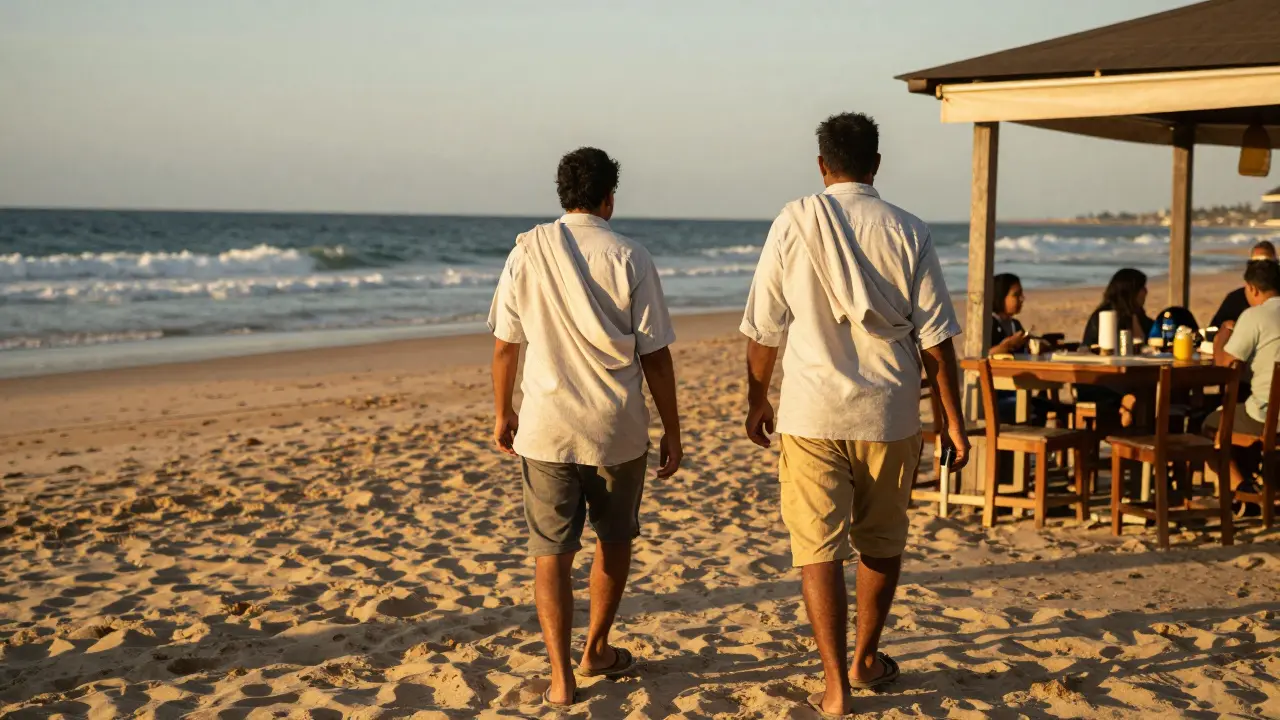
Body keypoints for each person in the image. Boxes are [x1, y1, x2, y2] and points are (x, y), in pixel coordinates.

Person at [740, 112, 968, 718]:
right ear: (876, 164)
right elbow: (937, 341)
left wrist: (757, 397)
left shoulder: (794, 220)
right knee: (881, 541)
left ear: (822, 165)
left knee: (817, 547)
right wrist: (954, 420)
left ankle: (835, 684)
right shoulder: (909, 229)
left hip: (811, 413)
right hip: (889, 414)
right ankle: (868, 657)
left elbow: (765, 327)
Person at [488, 147, 683, 707]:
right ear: (609, 198)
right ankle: (596, 647)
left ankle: (559, 676)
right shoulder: (631, 256)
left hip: (547, 428)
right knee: (614, 538)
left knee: (551, 551)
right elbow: (657, 357)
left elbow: (506, 344)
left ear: (562, 195)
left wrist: (503, 411)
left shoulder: (528, 251)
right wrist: (672, 429)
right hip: (616, 430)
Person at [1207, 259, 1280, 494]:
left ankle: (1240, 487)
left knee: (1210, 425)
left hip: (1267, 416)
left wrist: (1223, 333)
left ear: (1252, 289)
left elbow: (1223, 364)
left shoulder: (1254, 316)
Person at [1078, 268, 1153, 426]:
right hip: (1098, 380)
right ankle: (1128, 415)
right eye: (1142, 288)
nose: (1146, 292)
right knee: (1143, 391)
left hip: (1125, 379)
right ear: (1131, 292)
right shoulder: (1105, 316)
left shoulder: (1137, 315)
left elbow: (1148, 342)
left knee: (1151, 389)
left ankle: (1135, 423)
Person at [1210, 241, 1278, 329]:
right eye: (1255, 263)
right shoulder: (1235, 299)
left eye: (1267, 263)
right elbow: (1212, 329)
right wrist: (1225, 327)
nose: (1261, 267)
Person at [990, 273, 1029, 355]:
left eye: (1021, 294)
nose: (1022, 299)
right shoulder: (989, 324)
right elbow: (982, 356)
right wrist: (1008, 345)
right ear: (1001, 296)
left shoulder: (1015, 324)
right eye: (1016, 295)